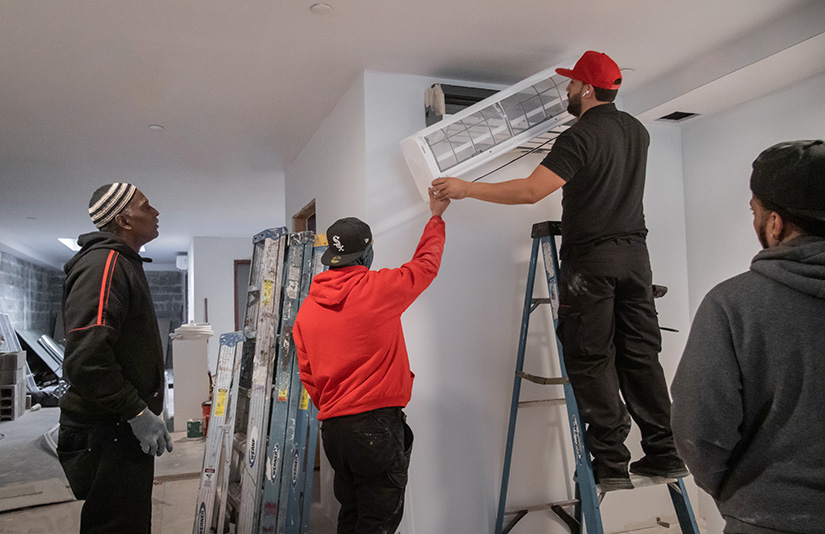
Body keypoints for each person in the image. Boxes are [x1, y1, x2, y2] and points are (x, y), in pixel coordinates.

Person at [431, 50, 686, 490]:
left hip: (592, 261)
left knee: (590, 357)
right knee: (642, 355)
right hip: (636, 257)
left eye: (571, 84)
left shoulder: (580, 135)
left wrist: (465, 188)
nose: (566, 90)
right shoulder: (637, 131)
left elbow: (532, 190)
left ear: (587, 89)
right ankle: (665, 453)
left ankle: (610, 463)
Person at [671, 140, 825, 533]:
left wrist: (739, 495)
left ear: (775, 222)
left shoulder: (732, 304)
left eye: (754, 210)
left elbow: (699, 431)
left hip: (770, 520)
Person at [293, 188, 449, 533]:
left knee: (352, 514)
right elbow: (425, 265)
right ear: (366, 253)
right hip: (374, 428)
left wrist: (336, 404)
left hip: (334, 430)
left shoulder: (307, 310)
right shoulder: (378, 289)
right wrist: (436, 217)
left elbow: (308, 374)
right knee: (377, 522)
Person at [58, 182, 172, 533]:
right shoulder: (103, 265)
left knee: (128, 521)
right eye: (146, 206)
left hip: (118, 428)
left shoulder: (120, 262)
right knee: (115, 525)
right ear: (123, 219)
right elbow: (86, 358)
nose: (155, 213)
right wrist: (135, 411)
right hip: (109, 430)